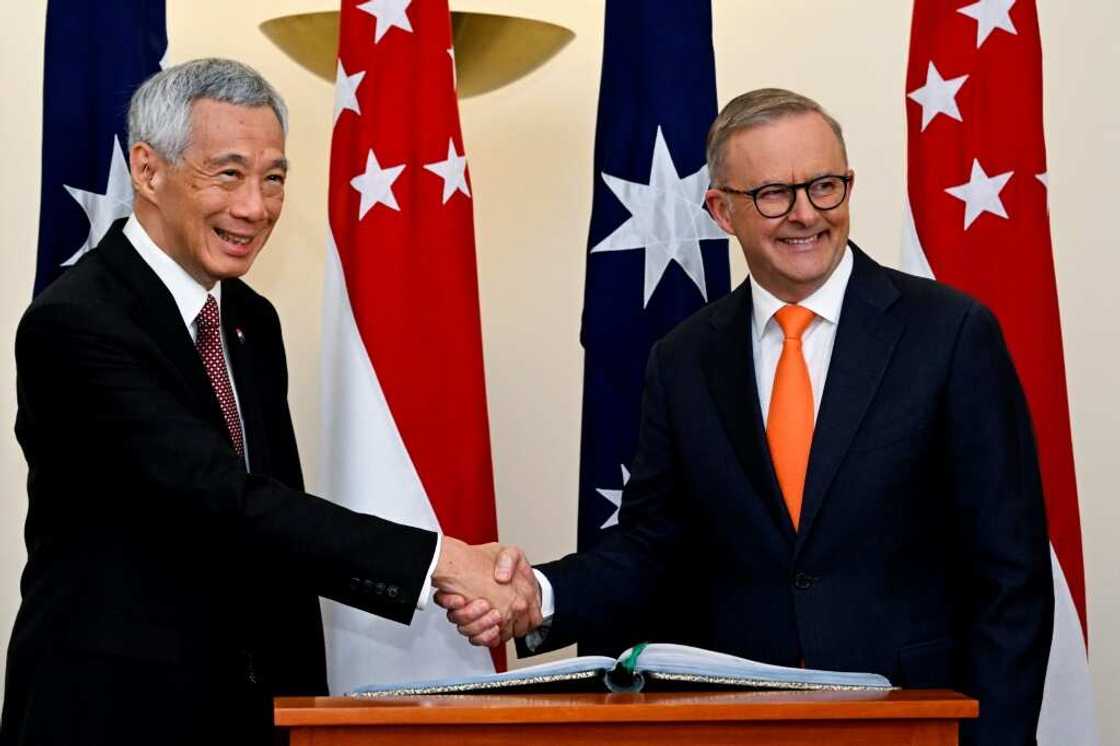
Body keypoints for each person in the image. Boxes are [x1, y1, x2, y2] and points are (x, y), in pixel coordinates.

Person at [441, 89, 1054, 746]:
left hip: (911, 722)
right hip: (736, 724)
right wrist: (537, 592)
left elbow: (1010, 577)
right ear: (721, 210)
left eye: (825, 186)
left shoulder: (951, 334)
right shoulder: (683, 360)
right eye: (772, 194)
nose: (805, 215)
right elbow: (649, 549)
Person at [1, 58, 533, 746]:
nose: (255, 207)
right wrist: (443, 564)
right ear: (147, 169)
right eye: (227, 173)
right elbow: (221, 501)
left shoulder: (251, 320)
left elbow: (275, 520)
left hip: (249, 711)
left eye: (274, 177)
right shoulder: (77, 322)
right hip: (114, 716)